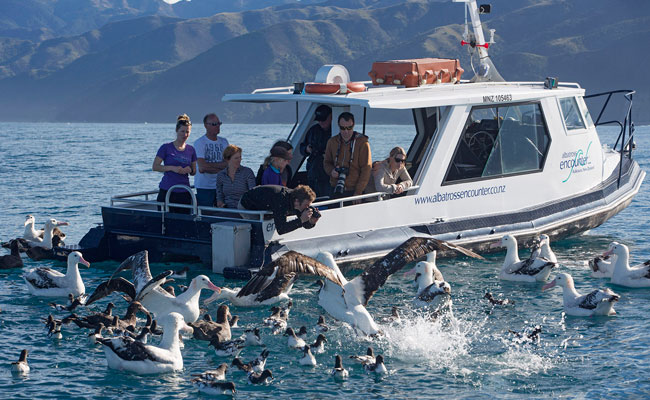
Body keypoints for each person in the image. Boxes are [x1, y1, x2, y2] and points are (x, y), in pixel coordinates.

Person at [238, 185, 319, 267]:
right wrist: (301, 220)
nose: (307, 208)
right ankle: (255, 265)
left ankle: (265, 261)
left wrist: (311, 222)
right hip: (247, 206)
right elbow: (281, 229)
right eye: (306, 205)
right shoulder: (281, 200)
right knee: (260, 234)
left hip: (266, 208)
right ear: (297, 201)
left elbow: (303, 223)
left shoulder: (296, 199)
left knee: (266, 233)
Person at [323, 112, 372, 204]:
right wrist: (331, 171)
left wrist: (358, 191)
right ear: (338, 126)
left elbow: (366, 169)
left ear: (353, 126)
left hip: (353, 190)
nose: (346, 131)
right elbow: (326, 162)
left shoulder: (362, 143)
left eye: (349, 128)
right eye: (342, 128)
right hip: (336, 188)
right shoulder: (332, 142)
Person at [152, 114, 197, 214]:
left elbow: (194, 171)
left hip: (184, 192)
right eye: (182, 131)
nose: (185, 134)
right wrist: (172, 168)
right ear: (177, 131)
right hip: (167, 191)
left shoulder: (191, 150)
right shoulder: (166, 147)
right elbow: (155, 167)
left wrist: (190, 170)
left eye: (187, 132)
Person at [193, 113, 229, 207]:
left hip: (221, 186)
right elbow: (202, 167)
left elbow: (229, 164)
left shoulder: (224, 142)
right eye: (214, 124)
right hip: (204, 187)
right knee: (205, 214)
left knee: (222, 213)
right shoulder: (199, 143)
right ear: (206, 126)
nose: (217, 126)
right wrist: (222, 167)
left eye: (219, 123)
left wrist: (210, 165)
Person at [300, 104, 332, 197]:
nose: (321, 122)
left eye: (324, 120)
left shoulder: (335, 131)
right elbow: (302, 148)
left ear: (331, 117)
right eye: (319, 120)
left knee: (326, 196)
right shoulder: (313, 130)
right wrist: (307, 149)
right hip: (312, 172)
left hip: (327, 174)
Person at [216, 144, 256, 209]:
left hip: (244, 208)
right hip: (227, 209)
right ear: (227, 159)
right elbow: (219, 195)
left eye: (240, 157)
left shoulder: (247, 172)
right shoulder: (221, 175)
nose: (239, 160)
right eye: (236, 158)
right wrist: (221, 204)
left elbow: (252, 193)